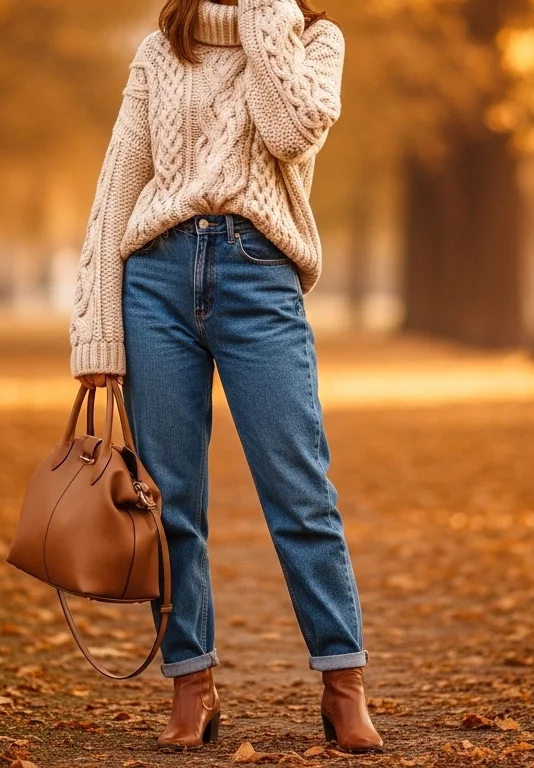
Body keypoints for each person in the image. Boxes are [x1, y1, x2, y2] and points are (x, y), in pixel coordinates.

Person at [67, 0, 382, 754]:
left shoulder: (315, 41)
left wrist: (265, 15)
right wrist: (97, 331)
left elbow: (291, 132)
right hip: (155, 282)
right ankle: (192, 685)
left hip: (258, 277)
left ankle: (343, 684)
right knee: (169, 501)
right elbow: (117, 191)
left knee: (300, 491)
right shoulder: (159, 52)